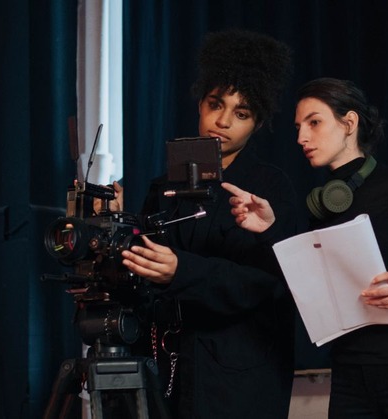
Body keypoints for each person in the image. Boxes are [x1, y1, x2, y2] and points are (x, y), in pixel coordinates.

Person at [223, 77, 388, 418]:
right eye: (298, 127)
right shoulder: (322, 207)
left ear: (349, 123)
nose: (301, 137)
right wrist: (268, 231)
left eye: (314, 123)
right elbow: (302, 289)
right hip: (349, 379)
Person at [117, 29, 298, 418]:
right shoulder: (164, 186)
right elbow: (142, 273)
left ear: (258, 122)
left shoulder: (270, 187)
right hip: (164, 370)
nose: (223, 121)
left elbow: (266, 283)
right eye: (216, 103)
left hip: (238, 378)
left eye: (242, 113)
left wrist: (183, 271)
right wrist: (118, 223)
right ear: (200, 103)